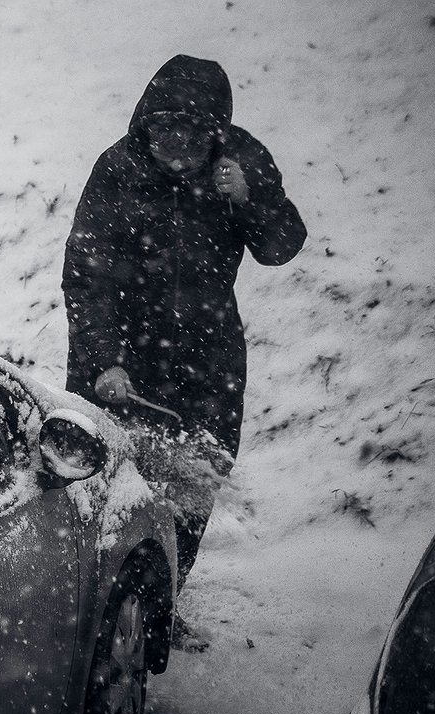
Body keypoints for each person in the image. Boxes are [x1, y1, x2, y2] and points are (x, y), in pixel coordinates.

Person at [61, 55, 306, 644]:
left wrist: (250, 198)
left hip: (207, 360)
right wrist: (103, 361)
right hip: (123, 355)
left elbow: (281, 246)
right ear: (145, 126)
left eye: (189, 136)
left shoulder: (240, 162)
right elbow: (86, 273)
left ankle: (157, 612)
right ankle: (86, 612)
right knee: (106, 485)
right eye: (163, 131)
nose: (175, 148)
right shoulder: (117, 170)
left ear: (214, 133)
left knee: (192, 484)